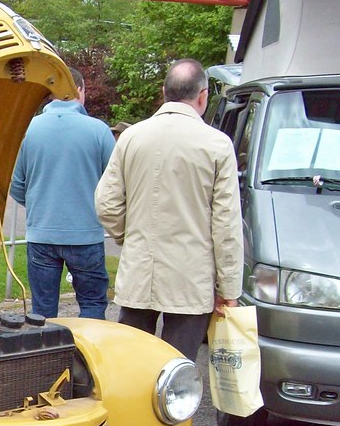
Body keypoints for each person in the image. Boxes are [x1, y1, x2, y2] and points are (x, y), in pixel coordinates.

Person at [94, 58, 242, 362]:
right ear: (203, 96)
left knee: (132, 365)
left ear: (164, 92)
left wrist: (128, 236)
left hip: (139, 271)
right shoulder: (217, 145)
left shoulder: (131, 137)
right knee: (178, 371)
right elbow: (225, 225)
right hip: (191, 278)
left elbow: (106, 203)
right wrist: (229, 288)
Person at [10, 68, 115, 320]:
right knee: (92, 305)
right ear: (78, 90)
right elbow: (114, 185)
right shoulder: (99, 131)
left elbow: (16, 184)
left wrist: (39, 203)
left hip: (42, 235)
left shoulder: (27, 130)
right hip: (86, 235)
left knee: (42, 313)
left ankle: (46, 347)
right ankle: (90, 345)